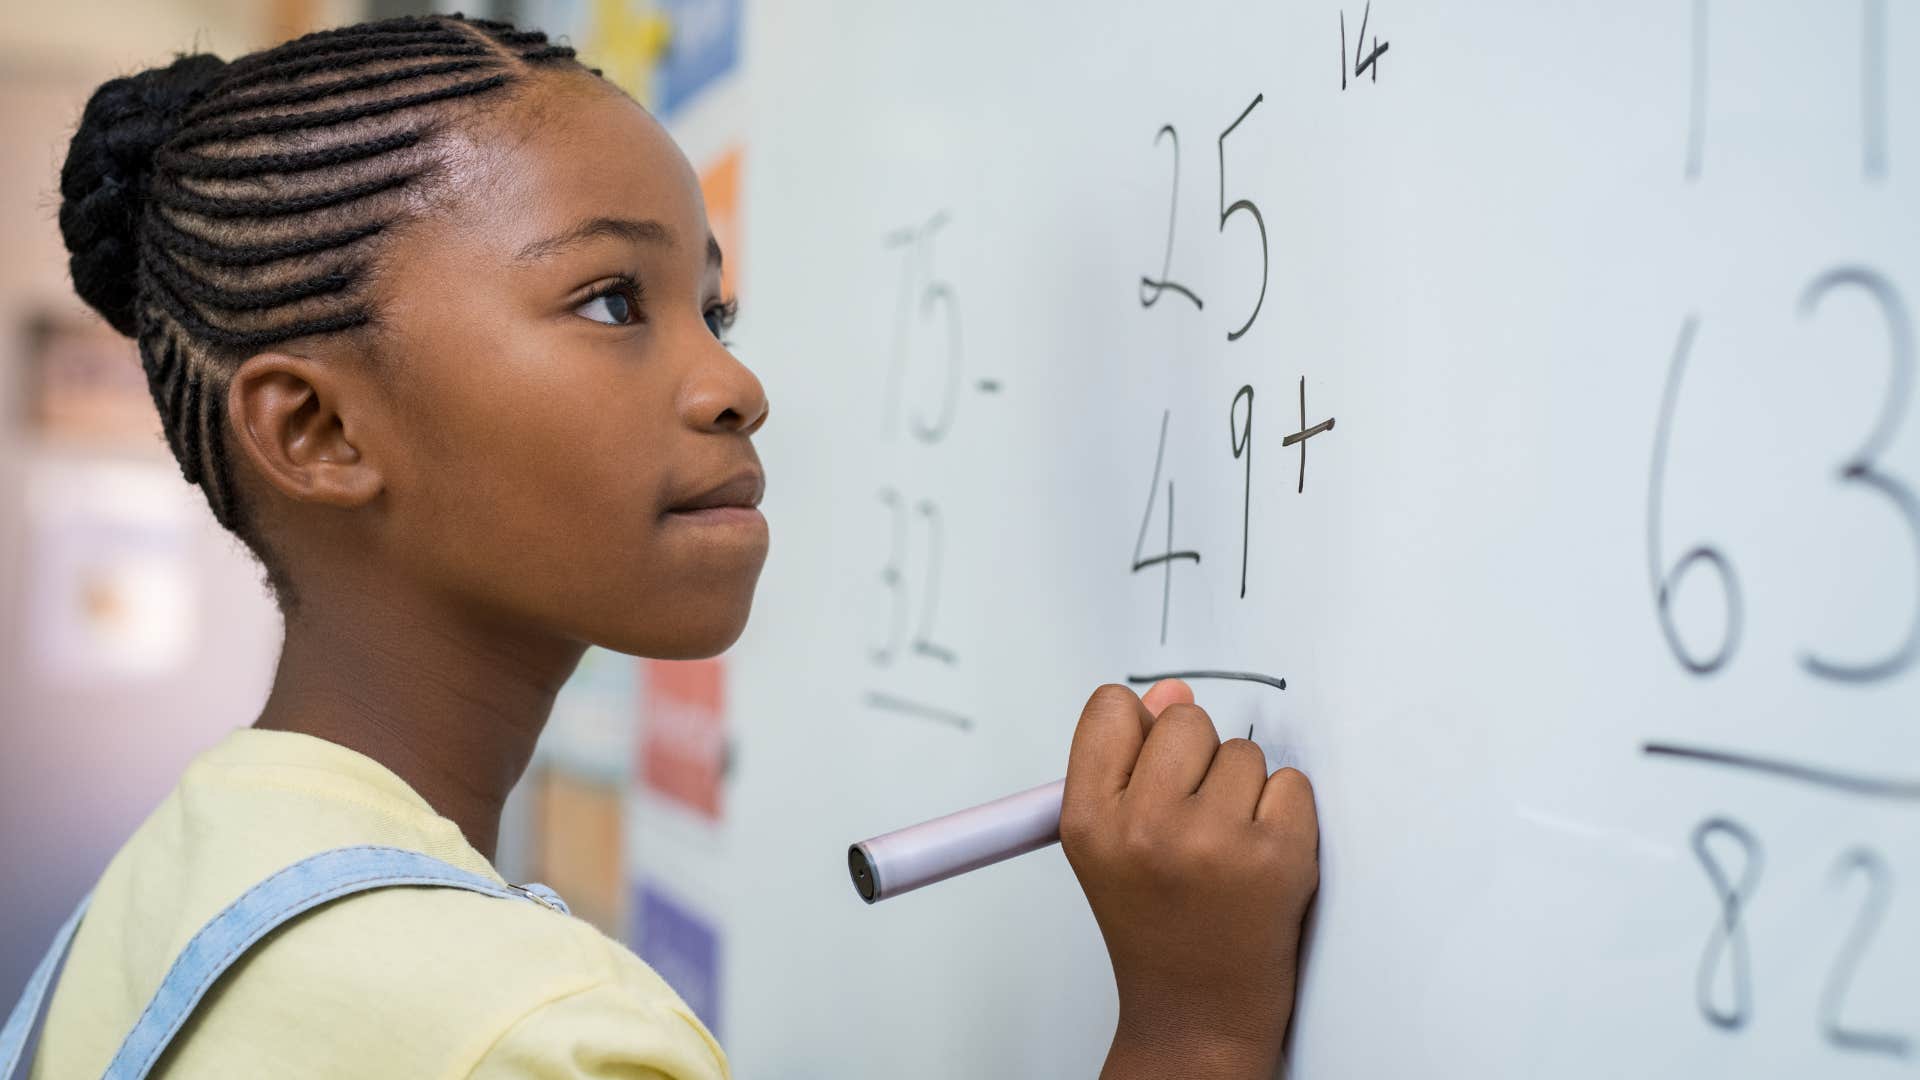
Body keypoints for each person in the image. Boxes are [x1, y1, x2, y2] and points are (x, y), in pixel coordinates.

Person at [8, 13, 1319, 1078]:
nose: (734, 386)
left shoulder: (172, 883)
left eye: (715, 308)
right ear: (318, 428)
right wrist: (1191, 1033)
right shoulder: (529, 1039)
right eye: (610, 300)